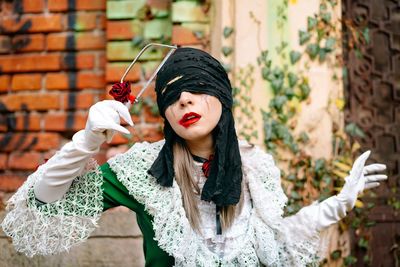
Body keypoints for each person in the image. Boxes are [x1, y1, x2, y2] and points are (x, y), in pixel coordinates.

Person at [1, 48, 387, 266]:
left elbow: (274, 246)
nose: (184, 99)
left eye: (198, 87)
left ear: (223, 97)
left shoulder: (255, 166)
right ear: (166, 113)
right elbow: (44, 202)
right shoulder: (145, 170)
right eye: (171, 95)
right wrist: (86, 141)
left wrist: (336, 206)